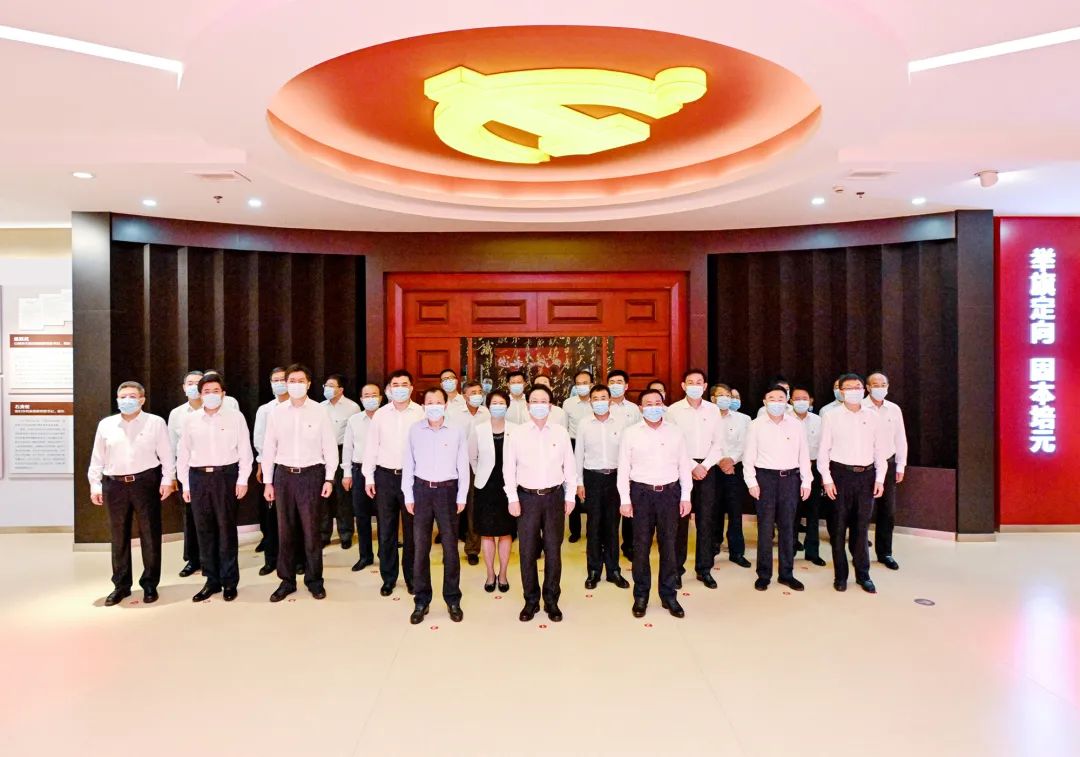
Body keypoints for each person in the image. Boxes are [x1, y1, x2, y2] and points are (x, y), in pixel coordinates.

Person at [88, 381, 174, 606]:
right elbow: (97, 457)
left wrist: (167, 480)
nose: (127, 400)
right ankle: (121, 585)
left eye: (132, 396)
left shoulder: (155, 422)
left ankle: (149, 583)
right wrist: (95, 484)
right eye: (123, 396)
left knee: (150, 534)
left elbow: (166, 455)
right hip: (114, 485)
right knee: (118, 536)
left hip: (145, 482)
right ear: (117, 400)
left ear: (142, 400)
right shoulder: (106, 425)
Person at [261, 364, 338, 602]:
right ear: (286, 384)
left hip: (312, 475)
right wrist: (268, 482)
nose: (295, 385)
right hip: (283, 476)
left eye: (300, 380)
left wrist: (329, 477)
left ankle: (314, 580)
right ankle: (287, 580)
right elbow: (268, 448)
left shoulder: (319, 411)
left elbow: (330, 446)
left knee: (312, 531)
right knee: (285, 531)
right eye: (291, 381)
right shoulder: (276, 412)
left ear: (309, 384)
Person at [175, 373, 253, 602]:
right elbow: (183, 453)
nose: (211, 395)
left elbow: (245, 450)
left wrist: (242, 479)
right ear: (200, 395)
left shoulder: (235, 417)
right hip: (198, 478)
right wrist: (185, 484)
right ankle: (211, 580)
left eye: (215, 391)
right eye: (206, 392)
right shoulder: (190, 420)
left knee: (226, 530)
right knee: (204, 531)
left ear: (223, 394)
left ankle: (229, 582)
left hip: (225, 476)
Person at [503, 385, 576, 623]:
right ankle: (531, 600)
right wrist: (512, 498)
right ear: (528, 406)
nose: (539, 405)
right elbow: (508, 469)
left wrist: (570, 496)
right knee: (527, 551)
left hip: (554, 497)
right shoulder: (517, 434)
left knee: (553, 550)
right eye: (534, 401)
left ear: (551, 406)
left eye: (543, 401)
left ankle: (552, 599)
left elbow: (570, 467)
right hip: (527, 498)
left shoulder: (560, 433)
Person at [618, 389, 692, 618]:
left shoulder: (676, 433)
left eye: (657, 402)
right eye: (648, 404)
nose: (653, 407)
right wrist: (625, 499)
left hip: (670, 494)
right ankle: (641, 595)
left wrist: (686, 496)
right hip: (641, 494)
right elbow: (623, 469)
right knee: (640, 547)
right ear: (641, 408)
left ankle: (669, 595)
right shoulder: (630, 433)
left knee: (669, 545)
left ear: (663, 405)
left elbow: (684, 466)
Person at [402, 387, 470, 624]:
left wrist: (462, 496)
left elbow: (463, 465)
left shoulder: (456, 431)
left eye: (438, 402)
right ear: (423, 406)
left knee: (450, 548)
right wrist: (408, 495)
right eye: (429, 402)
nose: (433, 406)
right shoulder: (415, 430)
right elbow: (408, 464)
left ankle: (452, 598)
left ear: (445, 405)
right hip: (421, 491)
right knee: (421, 548)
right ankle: (421, 599)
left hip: (448, 492)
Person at [818, 373, 888, 594]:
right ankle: (840, 575)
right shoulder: (831, 416)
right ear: (840, 392)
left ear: (864, 389)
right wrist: (827, 479)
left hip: (867, 476)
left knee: (861, 528)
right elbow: (823, 452)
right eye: (848, 388)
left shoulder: (873, 416)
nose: (854, 391)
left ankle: (863, 574)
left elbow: (880, 451)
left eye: (857, 387)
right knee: (838, 528)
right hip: (840, 475)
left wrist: (880, 478)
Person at [362, 370, 425, 596]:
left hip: (412, 478)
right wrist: (369, 477)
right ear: (389, 389)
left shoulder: (420, 413)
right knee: (386, 530)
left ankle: (412, 577)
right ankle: (388, 578)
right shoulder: (380, 414)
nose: (400, 388)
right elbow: (371, 446)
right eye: (395, 384)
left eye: (404, 384)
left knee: (412, 531)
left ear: (411, 388)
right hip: (385, 476)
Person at [743, 385, 812, 592]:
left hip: (790, 479)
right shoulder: (755, 425)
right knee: (765, 529)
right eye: (771, 398)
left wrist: (806, 481)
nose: (776, 402)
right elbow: (748, 457)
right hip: (765, 479)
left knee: (788, 528)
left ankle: (786, 574)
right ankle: (763, 574)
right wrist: (751, 482)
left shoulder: (796, 425)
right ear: (764, 402)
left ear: (787, 401)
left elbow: (804, 454)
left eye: (780, 398)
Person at [668, 369, 724, 589]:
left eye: (698, 382)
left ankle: (704, 568)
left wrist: (705, 466)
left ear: (705, 386)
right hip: (681, 468)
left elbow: (718, 443)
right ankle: (676, 569)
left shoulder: (713, 410)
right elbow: (672, 443)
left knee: (706, 520)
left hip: (708, 469)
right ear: (683, 386)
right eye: (690, 382)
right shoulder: (673, 411)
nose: (694, 385)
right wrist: (691, 466)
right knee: (679, 521)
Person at [575, 385, 630, 590]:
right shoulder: (584, 424)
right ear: (590, 401)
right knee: (594, 525)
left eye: (603, 397)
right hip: (592, 478)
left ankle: (613, 570)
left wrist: (626, 481)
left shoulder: (621, 422)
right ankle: (594, 570)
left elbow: (626, 454)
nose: (599, 401)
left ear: (610, 400)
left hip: (615, 477)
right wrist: (579, 482)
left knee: (612, 526)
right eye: (595, 398)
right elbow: (578, 454)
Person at [469, 390, 517, 593]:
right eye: (494, 403)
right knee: (487, 533)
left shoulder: (516, 429)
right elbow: (472, 458)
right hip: (485, 487)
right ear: (488, 406)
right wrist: (481, 474)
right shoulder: (478, 429)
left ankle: (503, 574)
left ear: (507, 406)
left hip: (508, 487)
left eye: (501, 403)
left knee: (506, 533)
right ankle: (490, 574)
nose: (498, 406)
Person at [863, 371, 908, 570]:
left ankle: (885, 553)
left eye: (883, 384)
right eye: (875, 384)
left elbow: (900, 438)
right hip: (865, 465)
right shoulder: (860, 407)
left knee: (887, 511)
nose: (879, 388)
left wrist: (901, 464)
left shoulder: (894, 409)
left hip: (888, 464)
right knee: (862, 512)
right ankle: (860, 553)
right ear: (867, 387)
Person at [167, 370, 206, 579]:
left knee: (211, 516)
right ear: (184, 388)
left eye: (197, 383)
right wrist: (172, 476)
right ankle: (193, 559)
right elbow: (171, 446)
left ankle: (210, 560)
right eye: (189, 383)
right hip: (187, 472)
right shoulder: (177, 414)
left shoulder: (218, 410)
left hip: (212, 472)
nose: (193, 387)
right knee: (190, 516)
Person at [710, 383, 753, 569]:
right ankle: (713, 544)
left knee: (735, 511)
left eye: (728, 395)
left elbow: (747, 444)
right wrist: (720, 461)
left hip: (735, 469)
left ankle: (737, 552)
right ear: (713, 398)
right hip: (711, 468)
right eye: (721, 395)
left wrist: (731, 460)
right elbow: (705, 443)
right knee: (713, 510)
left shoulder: (744, 419)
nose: (725, 398)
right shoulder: (706, 418)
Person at [446, 380, 489, 565]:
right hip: (455, 465)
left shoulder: (486, 413)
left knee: (473, 507)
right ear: (464, 396)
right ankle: (449, 550)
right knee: (452, 508)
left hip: (477, 465)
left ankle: (472, 549)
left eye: (479, 392)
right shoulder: (453, 413)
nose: (477, 395)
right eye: (473, 392)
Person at [252, 366, 289, 575]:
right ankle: (271, 559)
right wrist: (262, 464)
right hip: (272, 466)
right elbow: (259, 440)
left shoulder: (304, 407)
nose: (280, 383)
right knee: (271, 515)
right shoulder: (265, 410)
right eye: (276, 380)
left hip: (296, 466)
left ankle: (296, 559)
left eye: (283, 379)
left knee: (293, 516)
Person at [341, 383, 382, 571]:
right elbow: (348, 448)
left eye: (374, 395)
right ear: (361, 399)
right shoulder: (354, 420)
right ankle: (365, 555)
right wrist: (347, 473)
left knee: (384, 516)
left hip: (382, 472)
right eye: (367, 395)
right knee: (361, 515)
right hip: (359, 472)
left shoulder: (386, 418)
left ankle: (384, 553)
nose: (371, 398)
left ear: (381, 398)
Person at [320, 374, 361, 549]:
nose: (327, 389)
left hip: (343, 451)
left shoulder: (352, 407)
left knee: (343, 496)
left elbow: (357, 433)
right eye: (326, 385)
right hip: (322, 452)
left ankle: (346, 534)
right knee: (323, 495)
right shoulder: (320, 407)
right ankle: (324, 534)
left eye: (331, 386)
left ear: (341, 389)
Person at [607, 369, 642, 560]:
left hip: (630, 466)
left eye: (619, 382)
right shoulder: (602, 406)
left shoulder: (634, 409)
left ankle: (629, 546)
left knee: (629, 506)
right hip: (610, 464)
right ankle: (609, 546)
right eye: (612, 382)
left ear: (626, 386)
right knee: (611, 510)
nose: (615, 385)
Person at [791, 385, 827, 566]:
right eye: (796, 399)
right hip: (792, 471)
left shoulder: (819, 421)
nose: (801, 402)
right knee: (792, 512)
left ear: (811, 400)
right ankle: (789, 549)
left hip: (814, 469)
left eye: (804, 398)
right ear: (791, 401)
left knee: (814, 512)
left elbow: (825, 447)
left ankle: (812, 552)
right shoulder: (785, 419)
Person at [562, 370, 595, 543]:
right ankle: (575, 530)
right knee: (573, 484)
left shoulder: (598, 402)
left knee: (591, 486)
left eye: (585, 383)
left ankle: (592, 529)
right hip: (573, 444)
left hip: (593, 446)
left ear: (592, 384)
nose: (582, 386)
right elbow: (564, 428)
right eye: (579, 384)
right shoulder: (568, 404)